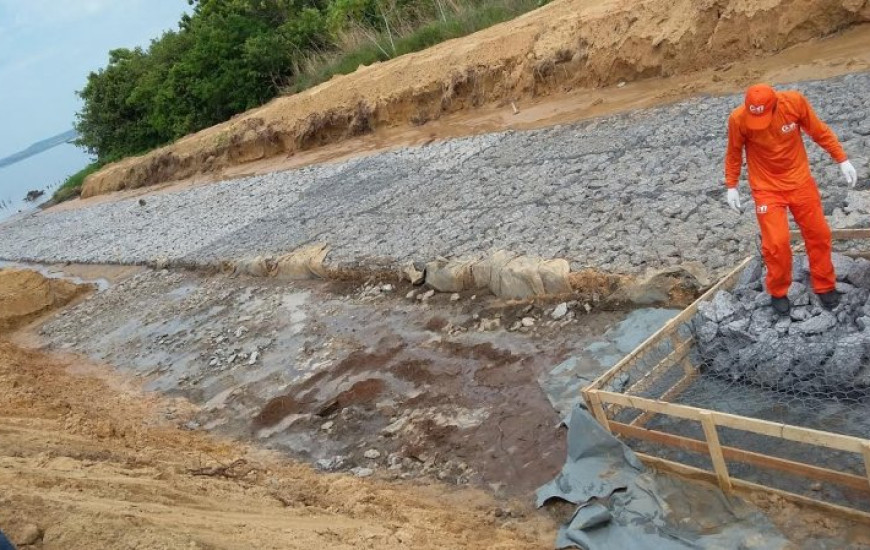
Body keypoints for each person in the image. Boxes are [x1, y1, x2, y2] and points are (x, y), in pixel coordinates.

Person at [724, 83, 858, 315]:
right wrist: (732, 185)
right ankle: (778, 291)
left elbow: (818, 130)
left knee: (818, 233)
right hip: (766, 188)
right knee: (776, 243)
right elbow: (734, 152)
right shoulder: (738, 119)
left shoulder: (794, 103)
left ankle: (824, 285)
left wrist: (841, 158)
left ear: (775, 104)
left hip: (800, 182)